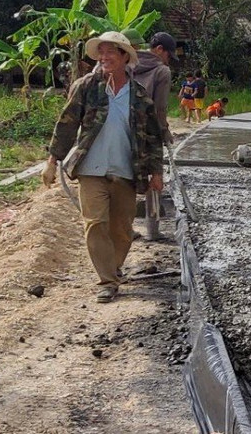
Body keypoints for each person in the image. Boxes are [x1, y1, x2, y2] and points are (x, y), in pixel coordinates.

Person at [40, 31, 163, 303]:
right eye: (101, 52)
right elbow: (67, 124)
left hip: (127, 171)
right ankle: (107, 280)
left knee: (121, 229)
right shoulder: (86, 86)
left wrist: (157, 172)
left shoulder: (140, 97)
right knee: (95, 223)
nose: (104, 57)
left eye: (111, 52)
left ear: (123, 57)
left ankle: (114, 266)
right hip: (90, 170)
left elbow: (153, 138)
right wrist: (52, 161)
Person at [133, 31, 178, 240]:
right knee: (154, 178)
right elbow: (160, 108)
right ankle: (152, 231)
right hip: (149, 130)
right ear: (159, 50)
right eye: (169, 55)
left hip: (124, 128)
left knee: (125, 177)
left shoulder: (127, 61)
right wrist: (164, 130)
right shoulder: (162, 71)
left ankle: (125, 228)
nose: (168, 59)